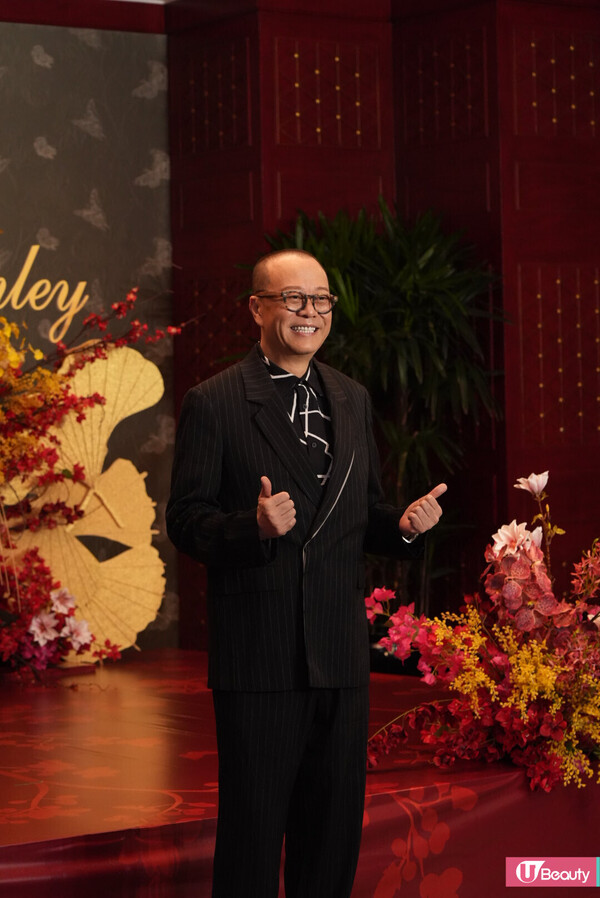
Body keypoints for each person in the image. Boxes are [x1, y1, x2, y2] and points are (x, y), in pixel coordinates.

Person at [166, 249, 446, 898]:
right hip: (260, 657)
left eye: (321, 300)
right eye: (293, 299)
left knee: (331, 836)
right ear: (257, 308)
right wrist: (253, 527)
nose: (310, 312)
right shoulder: (215, 402)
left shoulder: (350, 397)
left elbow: (359, 513)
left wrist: (403, 525)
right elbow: (185, 520)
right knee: (253, 838)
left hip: (339, 655)